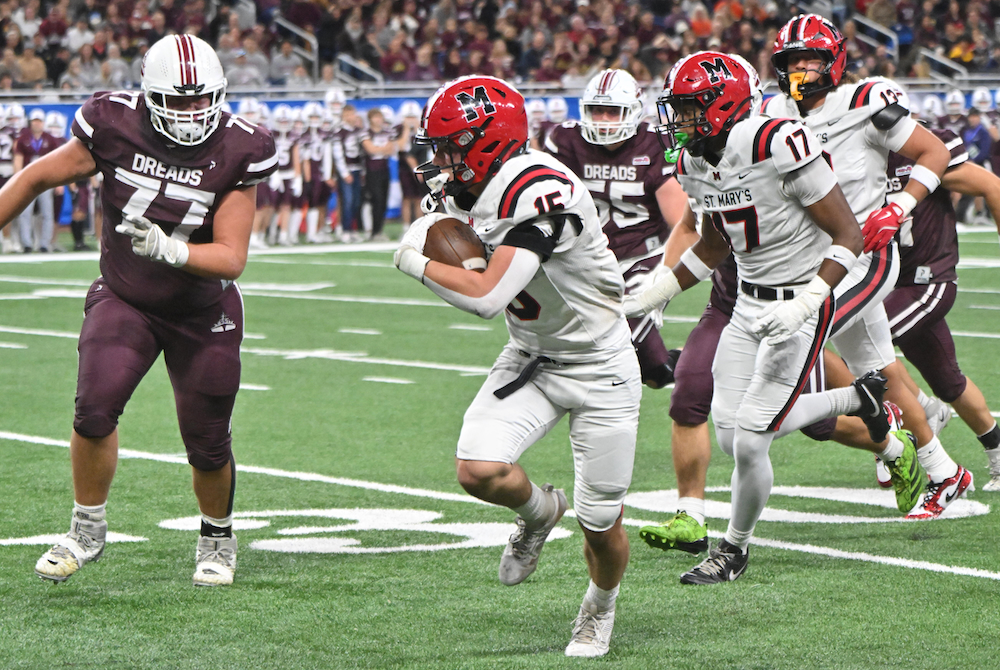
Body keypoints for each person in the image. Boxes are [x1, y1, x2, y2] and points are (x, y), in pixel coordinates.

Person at [625, 52, 909, 584]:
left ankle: (733, 549)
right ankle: (857, 398)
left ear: (722, 105)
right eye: (677, 110)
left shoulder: (775, 140)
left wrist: (808, 302)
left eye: (689, 110)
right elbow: (713, 245)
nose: (678, 121)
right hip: (747, 302)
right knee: (733, 437)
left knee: (753, 438)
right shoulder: (693, 161)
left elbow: (849, 235)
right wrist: (652, 293)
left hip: (801, 297)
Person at [9, 34, 277, 586]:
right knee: (94, 407)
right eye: (178, 101)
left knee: (207, 440)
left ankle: (217, 536)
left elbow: (231, 258)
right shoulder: (113, 123)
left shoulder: (240, 148)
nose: (192, 112)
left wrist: (170, 248)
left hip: (202, 309)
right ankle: (86, 528)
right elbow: (35, 177)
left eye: (203, 99)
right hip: (126, 296)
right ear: (150, 95)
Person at [394, 75, 641, 657]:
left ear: (486, 142)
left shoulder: (539, 189)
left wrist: (412, 259)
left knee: (602, 524)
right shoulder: (466, 187)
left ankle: (598, 609)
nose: (440, 161)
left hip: (600, 364)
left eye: (451, 147)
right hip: (531, 354)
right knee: (477, 470)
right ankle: (538, 513)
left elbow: (486, 296)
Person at [763, 15, 972, 519]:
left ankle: (871, 421)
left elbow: (934, 151)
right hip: (808, 257)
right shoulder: (772, 110)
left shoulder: (865, 102)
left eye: (812, 58)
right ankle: (944, 472)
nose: (802, 69)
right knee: (877, 366)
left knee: (795, 333)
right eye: (793, 60)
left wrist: (900, 206)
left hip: (863, 255)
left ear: (834, 60)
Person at [544, 68, 688, 388]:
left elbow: (680, 221)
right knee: (655, 373)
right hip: (592, 257)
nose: (603, 120)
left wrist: (664, 278)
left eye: (613, 111)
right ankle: (699, 363)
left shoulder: (655, 145)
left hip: (645, 256)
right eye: (596, 111)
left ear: (633, 112)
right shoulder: (566, 141)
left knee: (623, 320)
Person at [13, 108, 62, 253]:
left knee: (47, 213)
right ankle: (27, 243)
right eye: (35, 121)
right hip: (28, 181)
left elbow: (56, 162)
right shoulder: (23, 139)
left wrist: (58, 182)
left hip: (45, 180)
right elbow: (18, 160)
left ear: (43, 123)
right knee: (25, 212)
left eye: (39, 121)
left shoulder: (50, 139)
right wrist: (17, 180)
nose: (37, 124)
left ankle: (44, 244)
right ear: (30, 122)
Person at [360, 106, 401, 241]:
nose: (378, 119)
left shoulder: (387, 132)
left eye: (380, 117)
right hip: (371, 171)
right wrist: (382, 149)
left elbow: (392, 148)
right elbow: (370, 150)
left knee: (383, 200)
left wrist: (379, 149)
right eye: (375, 117)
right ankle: (372, 230)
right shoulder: (366, 133)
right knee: (375, 200)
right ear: (370, 119)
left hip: (384, 169)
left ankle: (379, 230)